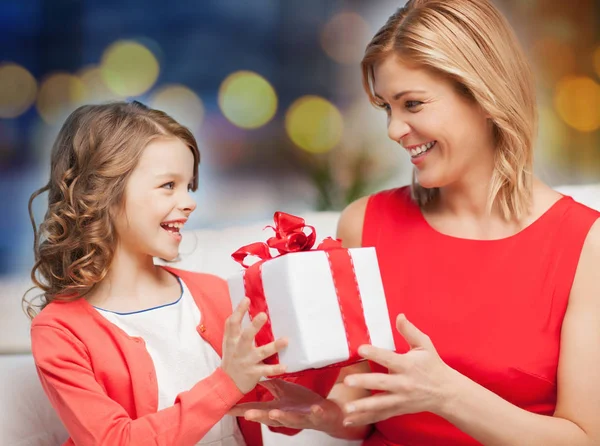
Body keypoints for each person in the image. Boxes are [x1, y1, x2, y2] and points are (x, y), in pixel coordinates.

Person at [230, 0, 600, 444]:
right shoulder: (364, 223)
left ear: (484, 95)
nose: (394, 129)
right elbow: (365, 406)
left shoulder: (584, 244)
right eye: (387, 107)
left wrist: (448, 395)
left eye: (413, 104)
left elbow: (583, 436)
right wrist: (324, 412)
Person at [25, 101, 338, 446]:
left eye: (189, 186)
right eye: (168, 185)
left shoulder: (214, 294)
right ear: (100, 193)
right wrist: (228, 382)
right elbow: (115, 440)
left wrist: (324, 338)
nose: (190, 202)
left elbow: (277, 415)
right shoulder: (60, 331)